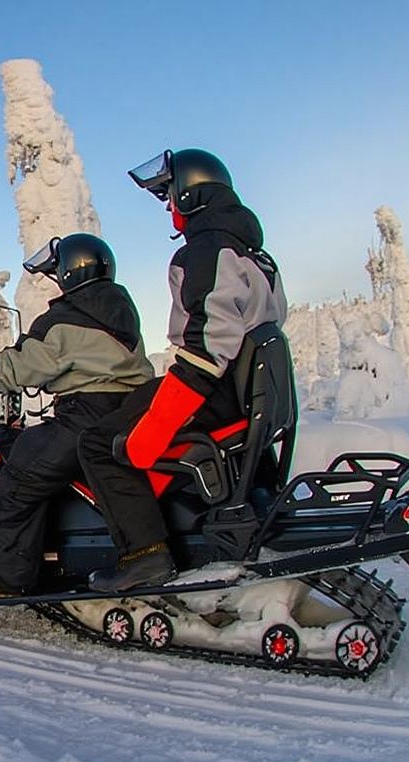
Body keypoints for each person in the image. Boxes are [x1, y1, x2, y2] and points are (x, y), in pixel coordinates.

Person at [76, 148, 288, 593]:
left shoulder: (207, 250)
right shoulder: (254, 253)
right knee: (138, 401)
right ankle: (253, 501)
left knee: (99, 443)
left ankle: (144, 555)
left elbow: (207, 349)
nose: (169, 207)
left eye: (171, 196)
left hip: (215, 391)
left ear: (191, 194)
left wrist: (154, 428)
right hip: (240, 390)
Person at [0, 233, 154, 598]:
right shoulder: (117, 307)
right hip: (130, 409)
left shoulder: (68, 315)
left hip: (86, 413)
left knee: (18, 479)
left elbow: (28, 363)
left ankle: (8, 581)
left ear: (69, 272)